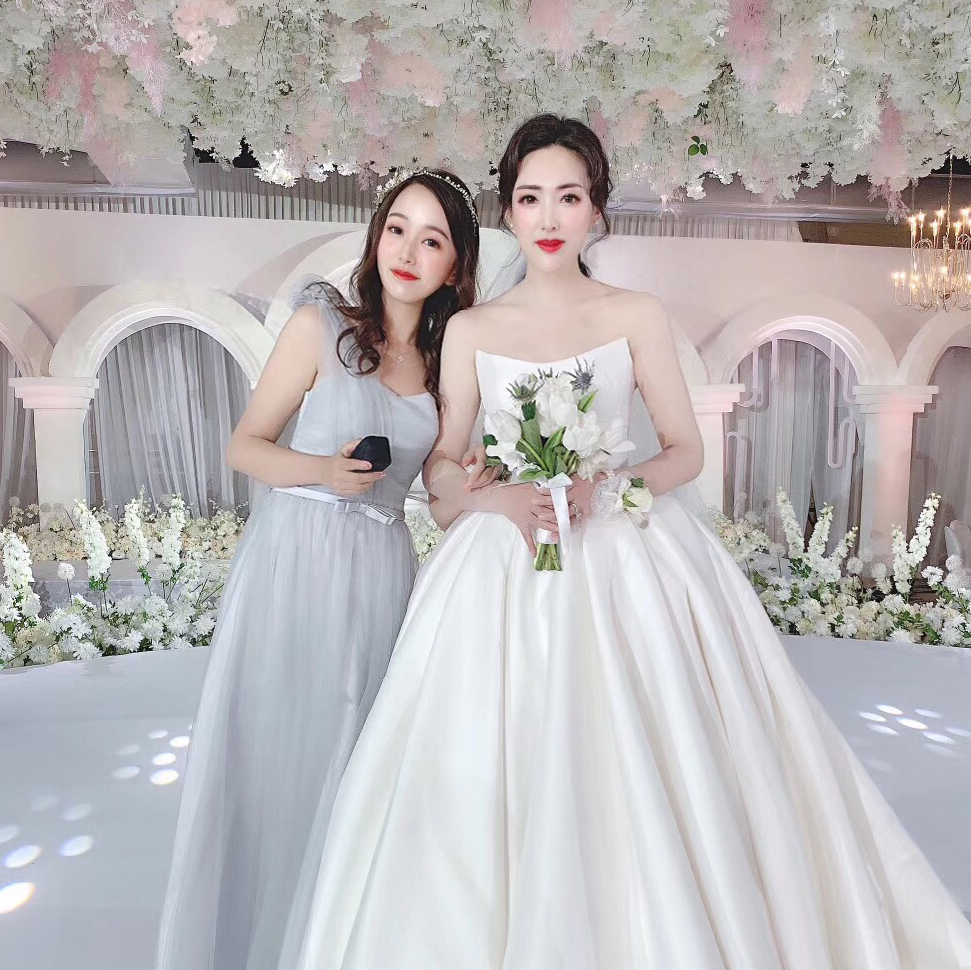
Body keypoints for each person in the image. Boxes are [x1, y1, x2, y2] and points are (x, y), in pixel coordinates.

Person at [290, 115, 971, 970]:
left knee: (660, 759)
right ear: (508, 209)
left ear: (596, 208)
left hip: (625, 553)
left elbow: (683, 452)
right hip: (502, 558)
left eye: (568, 197)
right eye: (530, 198)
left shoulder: (635, 314)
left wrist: (603, 488)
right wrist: (495, 498)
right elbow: (441, 469)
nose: (548, 217)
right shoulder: (471, 329)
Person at [155, 168, 484, 970]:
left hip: (379, 572)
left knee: (352, 760)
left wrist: (477, 490)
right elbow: (245, 447)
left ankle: (323, 943)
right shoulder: (320, 326)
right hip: (292, 559)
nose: (408, 250)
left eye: (432, 240)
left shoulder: (445, 369)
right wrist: (322, 471)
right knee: (274, 754)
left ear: (454, 266)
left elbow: (438, 491)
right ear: (376, 236)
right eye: (397, 228)